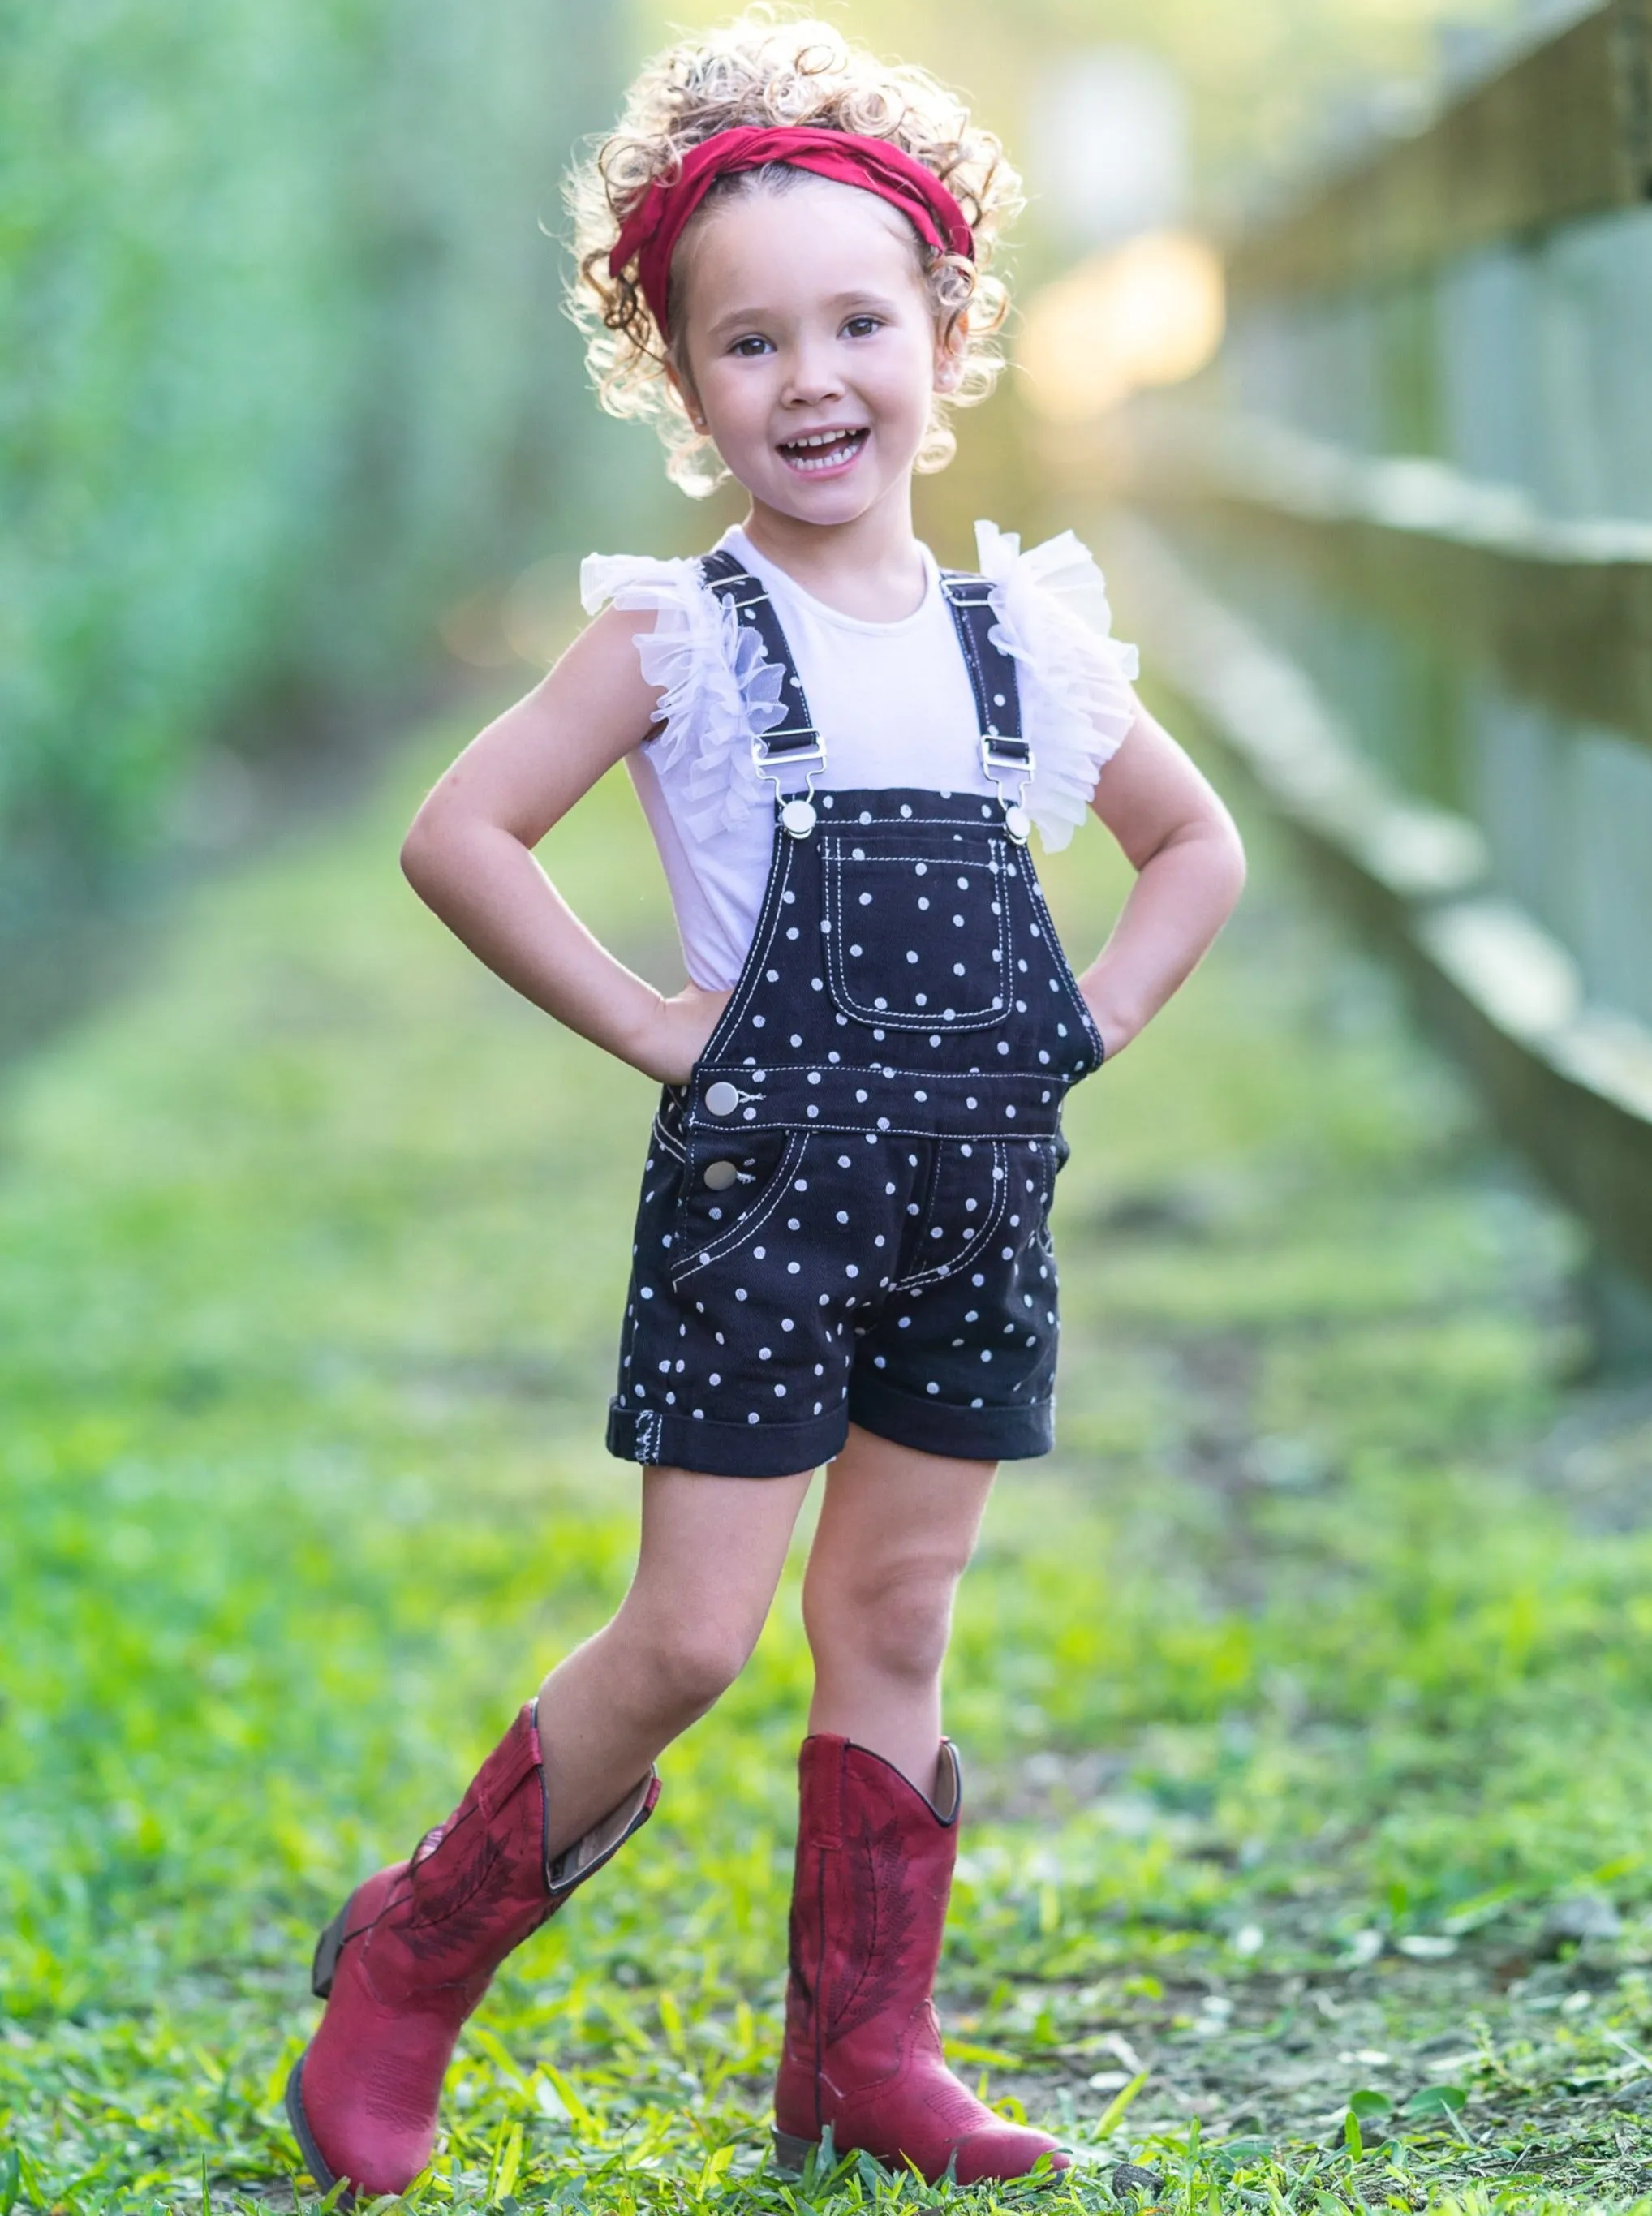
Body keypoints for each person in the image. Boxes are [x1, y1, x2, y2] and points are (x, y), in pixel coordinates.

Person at [284, 13, 1245, 2201]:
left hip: (974, 1196)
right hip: (764, 1194)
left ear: (940, 331)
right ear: (677, 374)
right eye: (745, 341)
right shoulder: (682, 638)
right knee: (697, 1635)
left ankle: (864, 2051)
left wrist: (1083, 1023)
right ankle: (409, 1965)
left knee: (893, 1618)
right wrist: (647, 1021)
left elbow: (1196, 848)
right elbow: (460, 834)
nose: (808, 378)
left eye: (852, 323)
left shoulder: (1031, 644)